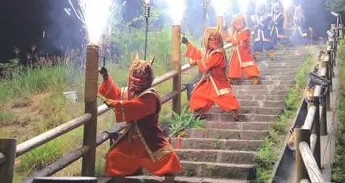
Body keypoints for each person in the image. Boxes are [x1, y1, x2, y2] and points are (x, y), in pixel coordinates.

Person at [98, 55, 181, 183]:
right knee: (114, 156)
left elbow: (137, 107)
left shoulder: (150, 96)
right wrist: (106, 77)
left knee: (167, 158)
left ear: (148, 78)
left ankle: (169, 180)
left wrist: (116, 104)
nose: (136, 79)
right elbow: (118, 93)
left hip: (150, 135)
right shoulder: (129, 93)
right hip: (132, 137)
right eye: (134, 75)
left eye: (141, 76)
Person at [182, 27, 241, 121]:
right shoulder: (208, 51)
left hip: (218, 80)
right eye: (210, 39)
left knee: (225, 97)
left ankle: (235, 112)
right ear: (206, 40)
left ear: (219, 40)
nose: (213, 41)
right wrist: (187, 43)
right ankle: (199, 112)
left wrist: (197, 62)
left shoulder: (219, 53)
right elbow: (198, 52)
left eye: (215, 39)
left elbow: (209, 62)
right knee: (198, 94)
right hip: (208, 80)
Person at [223, 14, 260, 85]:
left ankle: (254, 77)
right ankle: (233, 78)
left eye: (240, 22)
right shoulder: (236, 32)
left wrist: (230, 39)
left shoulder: (246, 30)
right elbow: (229, 39)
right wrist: (224, 29)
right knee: (234, 65)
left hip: (244, 51)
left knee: (248, 64)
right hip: (236, 51)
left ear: (243, 22)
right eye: (236, 23)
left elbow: (236, 39)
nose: (238, 24)